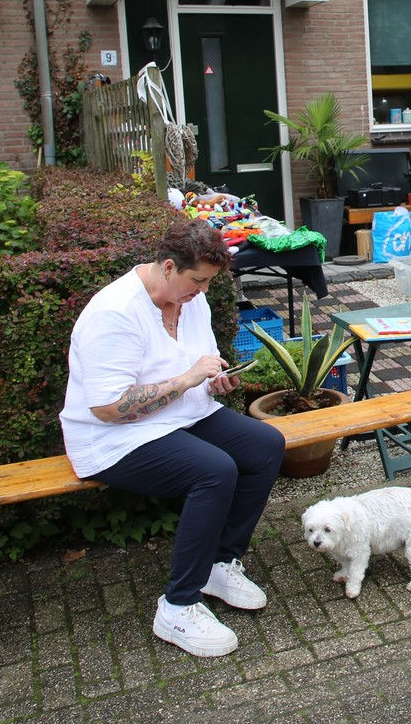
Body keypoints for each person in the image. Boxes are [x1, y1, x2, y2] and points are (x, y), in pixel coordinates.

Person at [61, 219, 285, 657]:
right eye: (197, 281)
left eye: (208, 282)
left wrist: (215, 380)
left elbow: (198, 365)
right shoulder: (114, 313)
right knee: (213, 471)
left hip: (182, 416)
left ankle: (219, 563)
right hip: (113, 437)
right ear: (167, 267)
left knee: (265, 446)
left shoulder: (189, 299)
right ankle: (178, 606)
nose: (203, 291)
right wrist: (186, 380)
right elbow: (108, 407)